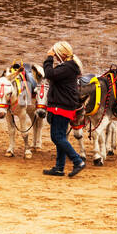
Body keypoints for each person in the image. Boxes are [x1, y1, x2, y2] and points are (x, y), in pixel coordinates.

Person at [42, 40, 87, 178]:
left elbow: (49, 74)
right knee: (60, 136)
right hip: (62, 106)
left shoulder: (68, 67)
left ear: (61, 53)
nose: (54, 57)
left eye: (56, 54)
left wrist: (48, 58)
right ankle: (59, 167)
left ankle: (77, 161)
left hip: (61, 107)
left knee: (57, 137)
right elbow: (52, 75)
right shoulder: (68, 66)